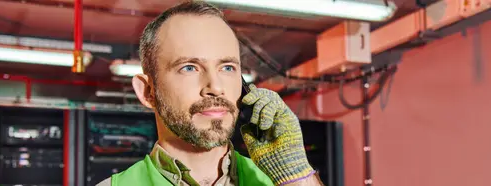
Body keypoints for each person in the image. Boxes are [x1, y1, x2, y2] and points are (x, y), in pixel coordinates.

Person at [96, 1, 324, 186]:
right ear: (147, 91)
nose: (215, 87)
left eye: (227, 67)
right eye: (189, 67)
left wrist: (296, 175)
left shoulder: (277, 182)